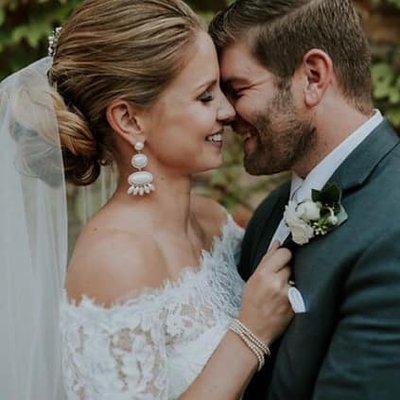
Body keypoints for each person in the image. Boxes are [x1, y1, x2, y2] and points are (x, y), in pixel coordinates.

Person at [0, 1, 295, 399]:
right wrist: (250, 334)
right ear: (129, 120)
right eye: (205, 97)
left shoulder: (213, 220)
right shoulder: (114, 262)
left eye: (222, 90)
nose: (227, 111)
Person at [209, 0, 400, 399]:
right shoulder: (273, 211)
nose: (225, 112)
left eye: (238, 89)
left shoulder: (393, 229)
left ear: (313, 77)